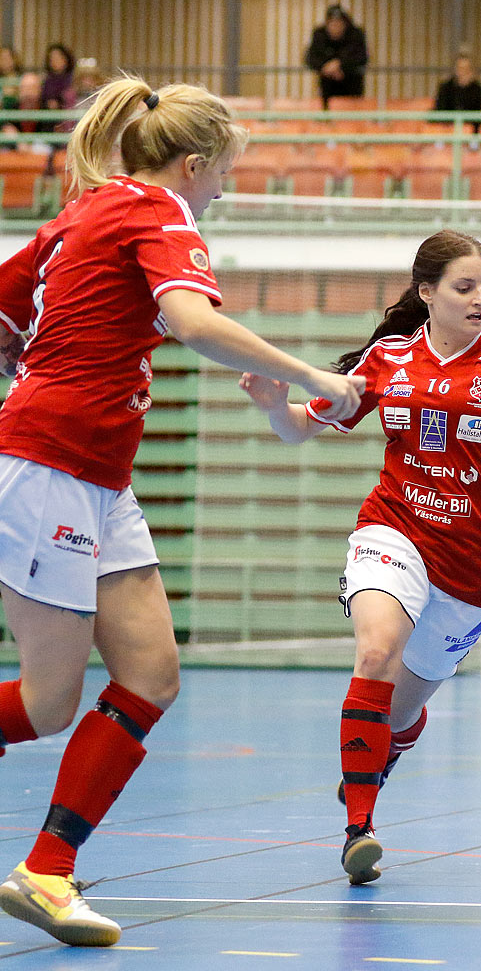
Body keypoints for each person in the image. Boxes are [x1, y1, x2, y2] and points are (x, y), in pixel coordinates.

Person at [0, 76, 364, 948]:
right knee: (51, 703)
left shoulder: (78, 215)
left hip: (98, 474)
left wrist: (30, 362)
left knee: (151, 676)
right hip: (51, 466)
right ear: (194, 165)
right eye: (223, 177)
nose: (222, 195)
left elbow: (7, 309)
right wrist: (316, 377)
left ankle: (46, 871)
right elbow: (191, 322)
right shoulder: (157, 213)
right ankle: (46, 870)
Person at [239, 229, 481, 887]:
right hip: (394, 526)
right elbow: (300, 429)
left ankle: (381, 752)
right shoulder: (388, 357)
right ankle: (359, 830)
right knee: (375, 654)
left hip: (476, 563)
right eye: (464, 287)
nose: (480, 298)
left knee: (399, 710)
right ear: (427, 293)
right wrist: (273, 406)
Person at [304, 4, 368, 107]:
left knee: (352, 119)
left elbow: (362, 57)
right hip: (327, 90)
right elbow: (310, 58)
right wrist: (326, 67)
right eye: (332, 23)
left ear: (345, 24)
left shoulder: (355, 35)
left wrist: (340, 64)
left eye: (338, 23)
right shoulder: (319, 34)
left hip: (352, 87)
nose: (335, 26)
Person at [38, 44, 76, 132]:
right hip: (48, 120)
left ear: (66, 59)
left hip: (67, 118)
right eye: (52, 58)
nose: (55, 61)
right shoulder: (45, 81)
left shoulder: (73, 80)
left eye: (58, 57)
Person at [434, 52, 481, 116]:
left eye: (466, 69)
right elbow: (440, 110)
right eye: (461, 68)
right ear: (456, 69)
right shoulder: (445, 87)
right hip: (449, 124)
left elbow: (477, 111)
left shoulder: (477, 88)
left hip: (469, 123)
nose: (463, 72)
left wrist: (466, 87)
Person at [0, 47, 22, 112]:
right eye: (2, 58)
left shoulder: (23, 79)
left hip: (18, 114)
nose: (5, 61)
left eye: (7, 58)